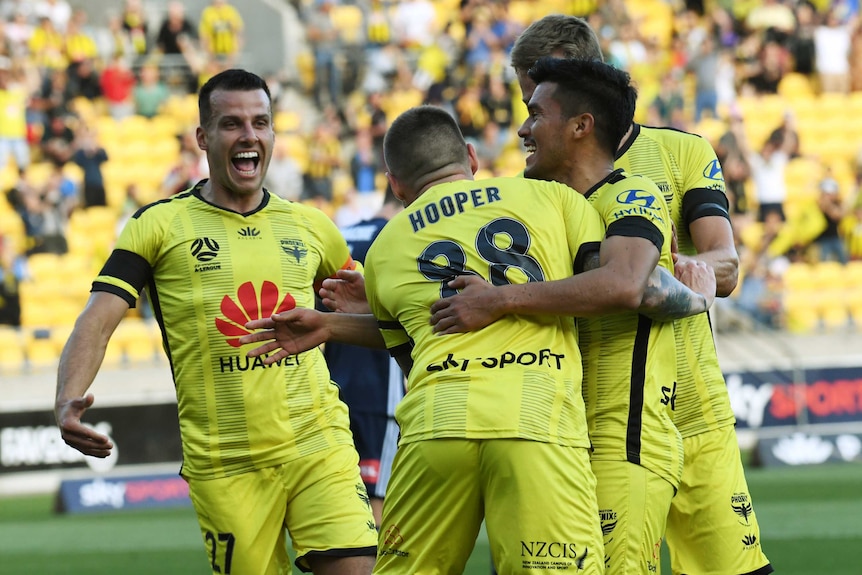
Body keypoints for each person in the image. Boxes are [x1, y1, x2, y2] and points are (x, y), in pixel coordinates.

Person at [241, 99, 715, 574]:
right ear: (471, 158)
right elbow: (617, 285)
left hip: (434, 429)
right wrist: (697, 295)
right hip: (536, 423)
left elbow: (417, 348)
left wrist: (331, 323)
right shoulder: (551, 198)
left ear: (396, 183)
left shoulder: (384, 249)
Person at [443, 14, 773, 575]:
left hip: (695, 406)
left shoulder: (682, 152)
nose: (526, 121)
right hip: (596, 407)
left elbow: (726, 263)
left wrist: (680, 274)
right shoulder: (537, 184)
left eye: (535, 101)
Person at [54, 69, 377, 575]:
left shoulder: (313, 227)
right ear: (203, 138)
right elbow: (98, 319)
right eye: (231, 124)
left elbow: (372, 322)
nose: (249, 135)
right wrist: (67, 399)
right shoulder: (158, 226)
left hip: (320, 443)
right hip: (226, 465)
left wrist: (360, 317)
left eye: (261, 122)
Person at [322, 185, 404, 528]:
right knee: (376, 509)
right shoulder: (401, 237)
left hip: (334, 391)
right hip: (379, 394)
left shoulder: (340, 236)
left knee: (341, 506)